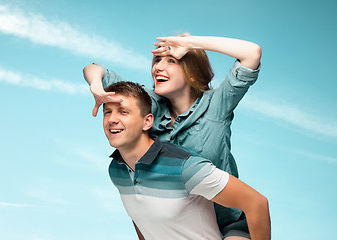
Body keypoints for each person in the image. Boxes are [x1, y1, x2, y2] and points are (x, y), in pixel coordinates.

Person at [83, 34, 262, 239]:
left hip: (225, 222)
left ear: (193, 74)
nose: (158, 67)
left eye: (171, 60)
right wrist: (96, 84)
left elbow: (252, 54)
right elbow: (94, 68)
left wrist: (191, 43)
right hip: (178, 222)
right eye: (157, 60)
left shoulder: (216, 105)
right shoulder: (149, 103)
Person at [102, 81, 270, 240]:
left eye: (123, 112)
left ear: (147, 122)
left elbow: (257, 203)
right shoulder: (116, 170)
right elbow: (142, 218)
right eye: (107, 112)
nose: (112, 119)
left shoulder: (184, 166)